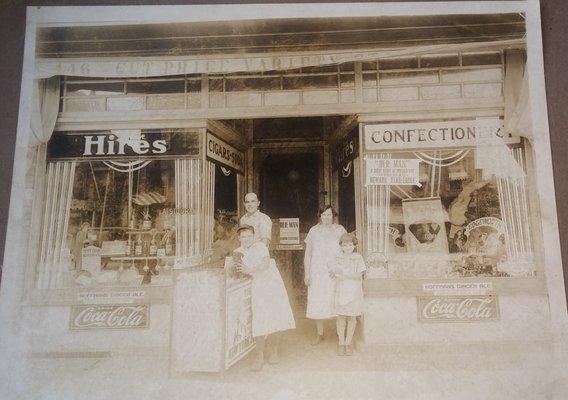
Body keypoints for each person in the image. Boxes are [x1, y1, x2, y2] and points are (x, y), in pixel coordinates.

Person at [234, 225, 295, 372]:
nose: (246, 239)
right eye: (243, 236)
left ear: (253, 237)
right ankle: (259, 355)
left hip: (272, 284)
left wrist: (250, 270)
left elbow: (265, 264)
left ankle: (273, 350)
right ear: (239, 238)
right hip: (256, 286)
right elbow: (238, 270)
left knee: (276, 316)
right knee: (260, 318)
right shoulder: (237, 252)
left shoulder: (261, 246)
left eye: (249, 236)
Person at [304, 205, 346, 345]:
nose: (326, 218)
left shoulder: (340, 230)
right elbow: (308, 254)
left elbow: (347, 250)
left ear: (333, 216)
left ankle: (339, 331)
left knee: (336, 300)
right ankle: (319, 333)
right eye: (324, 215)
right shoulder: (313, 231)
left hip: (335, 271)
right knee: (318, 301)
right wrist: (307, 273)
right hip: (317, 272)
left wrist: (342, 269)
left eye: (329, 215)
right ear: (320, 216)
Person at [329, 233, 366, 356]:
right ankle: (341, 343)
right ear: (341, 246)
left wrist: (346, 276)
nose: (347, 247)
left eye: (350, 245)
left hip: (354, 291)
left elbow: (359, 274)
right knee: (341, 317)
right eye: (345, 245)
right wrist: (335, 272)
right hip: (340, 290)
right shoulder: (337, 257)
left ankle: (348, 343)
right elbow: (333, 271)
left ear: (354, 246)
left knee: (352, 317)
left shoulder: (358, 257)